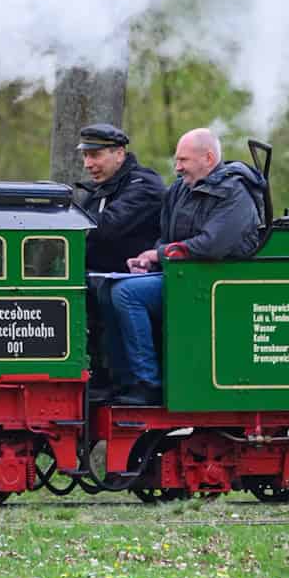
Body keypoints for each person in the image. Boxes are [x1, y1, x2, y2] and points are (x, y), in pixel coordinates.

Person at [107, 128, 263, 406]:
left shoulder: (235, 194)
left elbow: (211, 245)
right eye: (177, 160)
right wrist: (148, 260)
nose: (177, 168)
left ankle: (148, 383)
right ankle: (121, 379)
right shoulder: (181, 188)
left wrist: (158, 255)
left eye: (183, 161)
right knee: (106, 287)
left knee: (127, 294)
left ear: (208, 158)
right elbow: (166, 234)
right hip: (185, 276)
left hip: (213, 280)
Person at [74, 123, 164, 274]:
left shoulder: (145, 185)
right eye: (85, 155)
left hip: (127, 278)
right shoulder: (101, 187)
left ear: (120, 154)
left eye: (95, 155)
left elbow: (106, 225)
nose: (87, 164)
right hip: (93, 275)